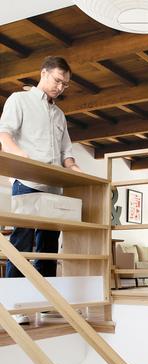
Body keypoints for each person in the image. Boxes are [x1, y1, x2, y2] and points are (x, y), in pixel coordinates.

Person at [0, 56, 82, 324]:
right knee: (22, 243)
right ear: (43, 73)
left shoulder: (59, 115)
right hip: (26, 182)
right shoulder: (18, 100)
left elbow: (65, 153)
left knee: (48, 247)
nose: (60, 87)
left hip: (53, 188)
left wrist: (74, 168)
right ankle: (15, 304)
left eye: (65, 84)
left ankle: (46, 302)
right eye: (58, 80)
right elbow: (4, 134)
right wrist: (23, 158)